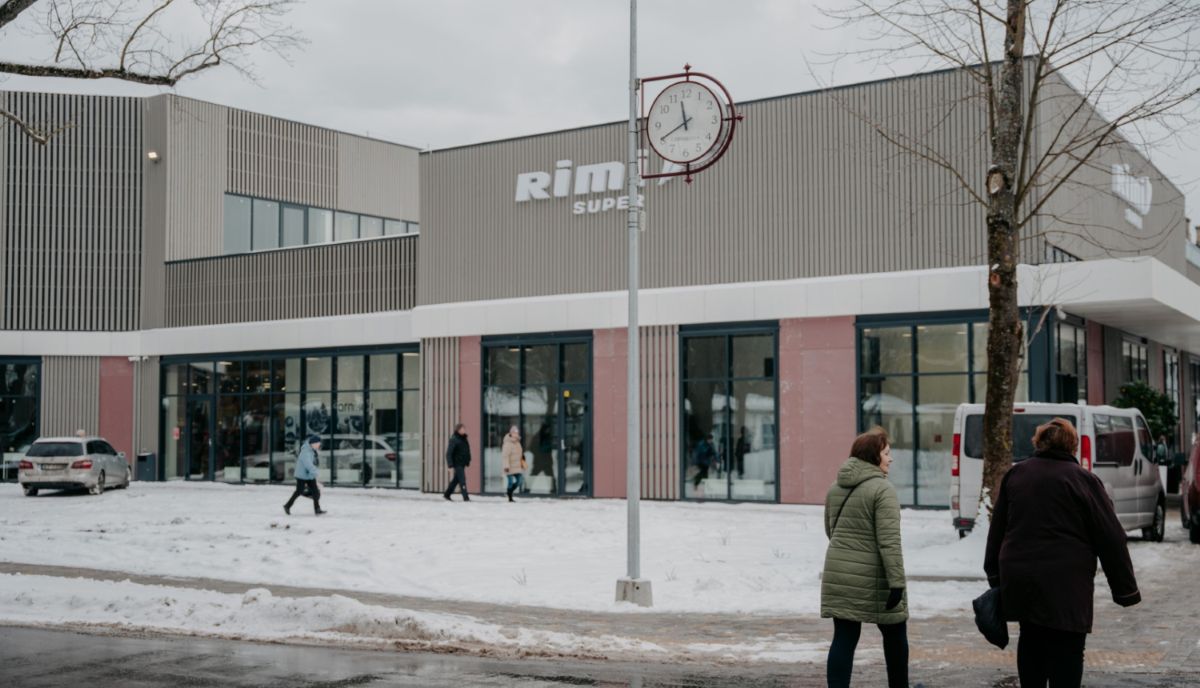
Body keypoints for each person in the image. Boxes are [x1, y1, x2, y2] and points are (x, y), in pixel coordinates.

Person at [984, 417, 1140, 688]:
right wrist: (1125, 590)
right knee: (1068, 646)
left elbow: (997, 530)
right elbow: (1111, 537)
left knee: (1031, 638)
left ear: (1039, 443)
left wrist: (995, 576)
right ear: (1072, 445)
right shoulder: (1083, 480)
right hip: (1067, 583)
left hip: (1023, 579)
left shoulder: (1017, 475)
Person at [821, 427, 908, 688]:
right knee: (895, 635)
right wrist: (897, 583)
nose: (890, 458)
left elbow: (831, 531)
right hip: (875, 576)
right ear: (873, 456)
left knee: (844, 637)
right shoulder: (882, 489)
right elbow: (889, 542)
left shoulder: (835, 488)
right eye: (886, 453)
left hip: (839, 572)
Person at [284, 435, 326, 516]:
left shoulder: (312, 450)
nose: (319, 445)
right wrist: (315, 472)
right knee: (298, 491)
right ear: (313, 443)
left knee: (315, 491)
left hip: (309, 475)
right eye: (318, 444)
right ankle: (287, 506)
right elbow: (308, 464)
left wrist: (313, 473)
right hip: (302, 475)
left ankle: (317, 509)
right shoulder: (306, 452)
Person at [443, 423, 471, 501]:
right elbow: (449, 453)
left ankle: (447, 494)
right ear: (458, 430)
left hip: (462, 463)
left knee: (456, 480)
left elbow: (466, 450)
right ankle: (466, 498)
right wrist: (450, 465)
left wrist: (468, 460)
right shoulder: (454, 439)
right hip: (457, 463)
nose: (464, 430)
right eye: (462, 429)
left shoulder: (464, 438)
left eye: (464, 428)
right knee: (462, 480)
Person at [501, 425, 526, 502]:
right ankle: (510, 497)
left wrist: (523, 459)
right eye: (514, 432)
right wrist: (506, 466)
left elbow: (520, 453)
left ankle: (509, 492)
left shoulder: (518, 443)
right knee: (510, 482)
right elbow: (505, 456)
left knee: (520, 481)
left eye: (517, 433)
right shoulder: (508, 443)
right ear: (511, 433)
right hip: (509, 466)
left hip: (517, 466)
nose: (516, 434)